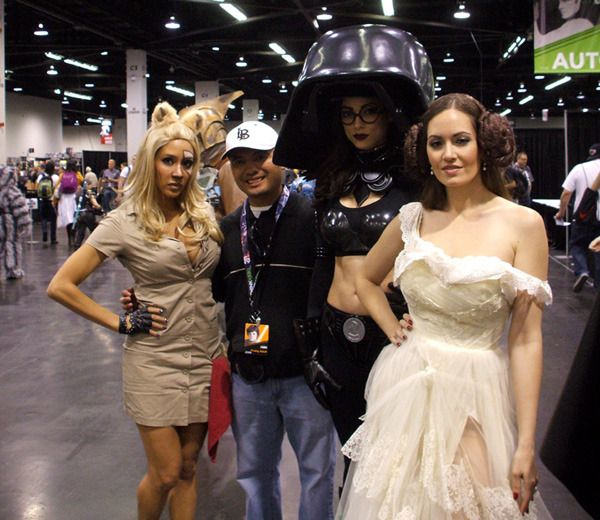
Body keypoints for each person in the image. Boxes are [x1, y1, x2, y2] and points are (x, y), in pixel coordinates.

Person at [335, 93, 553, 518]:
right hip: (407, 383)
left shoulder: (523, 225)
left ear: (484, 146)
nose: (449, 154)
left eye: (460, 140)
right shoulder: (412, 218)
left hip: (477, 389)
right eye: (436, 143)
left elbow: (527, 339)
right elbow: (364, 278)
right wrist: (391, 327)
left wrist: (526, 443)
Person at [47, 101, 225, 520]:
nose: (178, 172)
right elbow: (61, 285)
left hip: (205, 356)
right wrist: (120, 320)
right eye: (168, 161)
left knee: (187, 468)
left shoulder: (203, 216)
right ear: (151, 163)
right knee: (163, 473)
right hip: (154, 359)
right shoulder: (124, 221)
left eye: (187, 162)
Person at [273, 24, 434, 474]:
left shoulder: (416, 185)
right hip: (334, 332)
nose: (357, 124)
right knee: (350, 455)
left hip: (393, 332)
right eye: (347, 114)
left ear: (389, 115)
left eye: (368, 112)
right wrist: (310, 344)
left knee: (394, 460)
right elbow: (323, 260)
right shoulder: (332, 181)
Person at [213, 121, 336, 520]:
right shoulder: (228, 230)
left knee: (317, 472)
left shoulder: (315, 219)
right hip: (249, 377)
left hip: (305, 376)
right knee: (254, 474)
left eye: (261, 157)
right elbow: (210, 291)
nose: (251, 168)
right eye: (240, 161)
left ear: (280, 158)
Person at [555, 143, 600, 292]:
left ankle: (582, 271)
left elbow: (566, 193)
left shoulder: (580, 168)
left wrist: (561, 213)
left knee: (577, 245)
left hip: (583, 215)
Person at [0, 165, 31, 280]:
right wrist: (25, 225)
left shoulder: (8, 191)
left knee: (8, 245)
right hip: (8, 223)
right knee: (11, 244)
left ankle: (10, 268)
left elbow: (21, 209)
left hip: (6, 223)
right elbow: (22, 209)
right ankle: (12, 269)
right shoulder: (12, 190)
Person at [55, 158, 83, 248]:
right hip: (74, 198)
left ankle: (69, 238)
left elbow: (57, 186)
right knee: (75, 217)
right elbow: (83, 182)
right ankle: (74, 236)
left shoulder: (62, 174)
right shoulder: (77, 175)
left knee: (68, 219)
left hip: (64, 199)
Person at [72, 180, 102, 249]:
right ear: (87, 185)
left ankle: (77, 246)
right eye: (90, 185)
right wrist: (100, 208)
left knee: (81, 232)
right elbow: (95, 203)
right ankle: (96, 247)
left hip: (79, 214)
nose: (91, 186)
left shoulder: (77, 192)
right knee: (94, 230)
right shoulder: (89, 192)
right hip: (88, 215)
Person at [37, 160, 58, 244]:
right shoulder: (55, 177)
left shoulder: (41, 176)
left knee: (43, 218)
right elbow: (56, 189)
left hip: (42, 200)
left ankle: (44, 232)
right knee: (53, 219)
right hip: (51, 201)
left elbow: (37, 186)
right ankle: (53, 238)